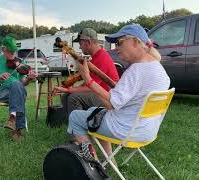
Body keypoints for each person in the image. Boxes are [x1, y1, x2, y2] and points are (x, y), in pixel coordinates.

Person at [67, 24, 170, 162]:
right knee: (94, 111)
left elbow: (110, 105)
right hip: (147, 129)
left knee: (75, 117)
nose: (116, 48)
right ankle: (110, 160)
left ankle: (94, 168)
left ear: (135, 42)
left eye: (120, 42)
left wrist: (88, 80)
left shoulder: (136, 70)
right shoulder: (159, 69)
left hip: (126, 129)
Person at [54, 28, 119, 121]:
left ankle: (79, 130)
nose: (80, 47)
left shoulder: (102, 57)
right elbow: (87, 83)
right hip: (99, 94)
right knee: (66, 97)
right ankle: (72, 125)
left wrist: (69, 89)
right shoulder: (95, 57)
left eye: (80, 44)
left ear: (88, 42)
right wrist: (69, 89)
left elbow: (90, 86)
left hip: (109, 98)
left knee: (73, 98)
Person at [0, 35, 37, 141]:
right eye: (11, 52)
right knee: (18, 89)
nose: (14, 55)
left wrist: (29, 79)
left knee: (17, 85)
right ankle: (17, 129)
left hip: (17, 91)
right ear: (4, 50)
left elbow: (24, 83)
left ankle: (12, 118)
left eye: (15, 52)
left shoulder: (20, 62)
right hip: (2, 93)